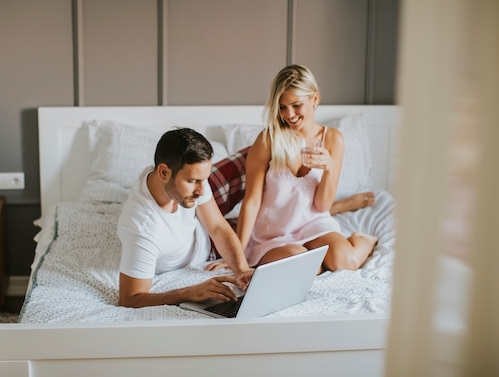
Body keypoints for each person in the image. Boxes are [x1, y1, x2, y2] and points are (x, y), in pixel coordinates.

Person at [236, 64, 378, 270]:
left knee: (344, 261)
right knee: (300, 260)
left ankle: (364, 240)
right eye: (282, 107)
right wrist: (237, 256)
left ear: (315, 99)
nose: (289, 114)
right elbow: (251, 201)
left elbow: (322, 206)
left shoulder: (333, 139)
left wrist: (329, 168)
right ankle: (315, 261)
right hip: (274, 233)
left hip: (315, 225)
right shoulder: (268, 140)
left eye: (296, 105)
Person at [117, 127, 254, 308]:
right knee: (273, 229)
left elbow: (217, 226)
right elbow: (130, 298)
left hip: (199, 216)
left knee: (258, 154)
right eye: (192, 181)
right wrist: (189, 292)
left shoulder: (180, 179)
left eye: (203, 179)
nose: (202, 190)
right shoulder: (142, 229)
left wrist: (241, 270)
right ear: (164, 173)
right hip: (209, 247)